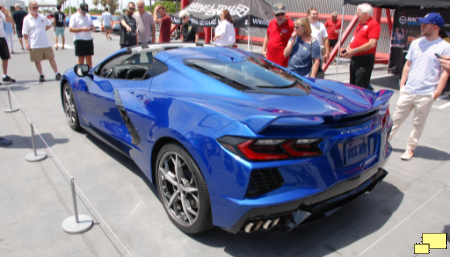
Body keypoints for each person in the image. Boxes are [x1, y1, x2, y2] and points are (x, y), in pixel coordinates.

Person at [388, 13, 450, 160]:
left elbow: (444, 73)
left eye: (425, 24)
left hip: (426, 93)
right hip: (409, 90)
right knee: (395, 119)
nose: (421, 26)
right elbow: (408, 65)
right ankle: (385, 142)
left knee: (418, 123)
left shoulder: (445, 47)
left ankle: (410, 149)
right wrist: (402, 85)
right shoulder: (416, 43)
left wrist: (435, 94)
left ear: (435, 27)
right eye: (421, 23)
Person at [342, 3, 380, 90]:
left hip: (364, 60)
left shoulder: (373, 24)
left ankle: (361, 102)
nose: (356, 15)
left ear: (365, 13)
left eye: (358, 13)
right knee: (353, 84)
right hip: (355, 58)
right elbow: (354, 39)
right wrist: (348, 48)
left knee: (361, 84)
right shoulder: (360, 24)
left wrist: (355, 50)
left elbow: (372, 44)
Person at [22, 1, 61, 82]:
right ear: (29, 8)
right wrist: (26, 42)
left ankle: (57, 73)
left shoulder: (42, 17)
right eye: (34, 7)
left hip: (45, 42)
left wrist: (43, 30)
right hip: (34, 43)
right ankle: (41, 74)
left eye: (37, 7)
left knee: (51, 58)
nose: (36, 9)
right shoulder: (27, 19)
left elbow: (50, 24)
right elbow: (25, 32)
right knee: (37, 60)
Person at [262, 2, 294, 67]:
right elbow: (267, 37)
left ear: (285, 12)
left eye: (282, 14)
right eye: (277, 14)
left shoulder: (291, 24)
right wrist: (263, 50)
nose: (280, 17)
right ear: (273, 14)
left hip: (282, 63)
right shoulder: (271, 23)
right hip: (269, 60)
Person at [69, 3, 94, 68]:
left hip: (88, 39)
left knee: (89, 59)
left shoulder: (88, 15)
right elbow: (71, 29)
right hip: (79, 40)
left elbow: (91, 24)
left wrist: (92, 27)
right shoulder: (74, 16)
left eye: (86, 11)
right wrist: (82, 29)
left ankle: (89, 73)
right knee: (81, 59)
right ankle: (80, 73)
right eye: (83, 11)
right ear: (79, 9)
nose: (84, 13)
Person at [0, 5, 16, 84]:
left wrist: (5, 13)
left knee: (5, 57)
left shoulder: (1, 13)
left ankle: (5, 75)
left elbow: (8, 20)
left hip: (2, 37)